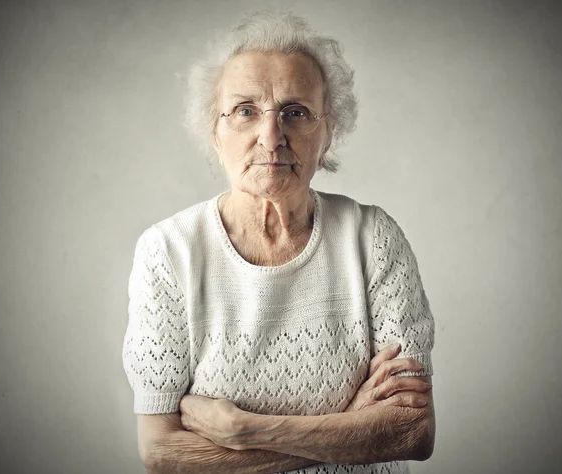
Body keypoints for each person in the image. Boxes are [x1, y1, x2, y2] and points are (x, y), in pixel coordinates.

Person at [122, 10, 436, 474]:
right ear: (215, 131)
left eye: (295, 112)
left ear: (327, 133)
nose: (271, 136)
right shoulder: (169, 252)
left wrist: (246, 431)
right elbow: (163, 454)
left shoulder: (373, 238)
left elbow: (412, 431)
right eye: (246, 111)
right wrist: (350, 427)